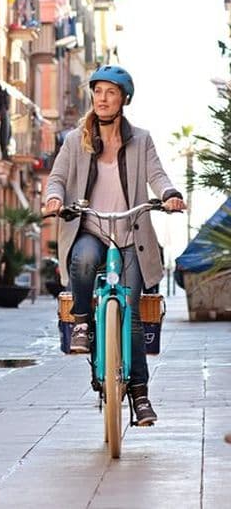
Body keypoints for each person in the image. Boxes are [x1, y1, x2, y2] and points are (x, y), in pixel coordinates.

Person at [44, 65, 186, 426]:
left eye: (111, 92)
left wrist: (169, 194)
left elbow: (157, 174)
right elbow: (57, 178)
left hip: (130, 237)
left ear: (124, 99)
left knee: (133, 316)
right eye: (98, 91)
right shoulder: (75, 140)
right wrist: (54, 198)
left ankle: (140, 394)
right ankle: (81, 321)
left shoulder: (141, 139)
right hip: (90, 228)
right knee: (83, 259)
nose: (103, 99)